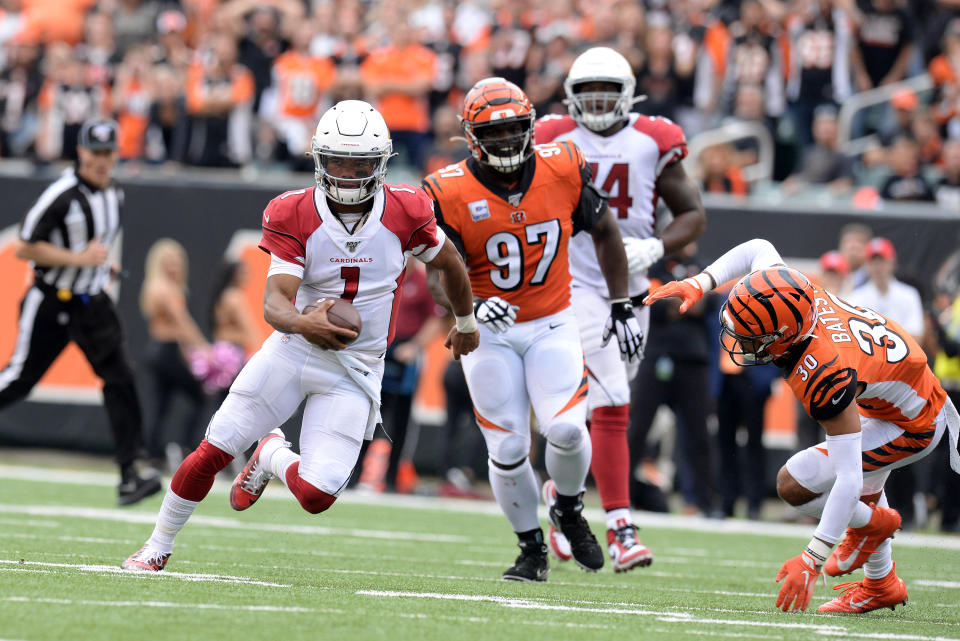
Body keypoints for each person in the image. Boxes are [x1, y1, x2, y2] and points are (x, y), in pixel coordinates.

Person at [122, 100, 479, 572]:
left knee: (315, 496)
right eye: (338, 161)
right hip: (294, 351)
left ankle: (270, 454)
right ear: (318, 159)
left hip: (357, 367)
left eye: (361, 164)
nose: (349, 174)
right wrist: (302, 322)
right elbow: (274, 302)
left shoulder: (407, 208)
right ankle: (156, 545)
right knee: (212, 450)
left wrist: (466, 318)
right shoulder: (293, 211)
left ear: (381, 165)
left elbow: (449, 261)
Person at [645, 238, 959, 614]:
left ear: (782, 336)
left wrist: (813, 556)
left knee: (795, 484)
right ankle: (882, 583)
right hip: (889, 394)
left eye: (752, 338)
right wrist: (702, 281)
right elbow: (757, 248)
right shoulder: (791, 290)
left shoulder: (824, 371)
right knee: (866, 495)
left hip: (913, 422)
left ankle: (873, 529)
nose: (742, 343)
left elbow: (848, 480)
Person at [422, 77, 643, 582]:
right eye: (491, 132)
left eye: (514, 129)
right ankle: (530, 549)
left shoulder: (563, 166)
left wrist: (621, 304)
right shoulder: (448, 189)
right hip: (487, 334)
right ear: (470, 135)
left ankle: (568, 507)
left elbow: (607, 232)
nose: (504, 141)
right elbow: (439, 276)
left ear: (530, 126)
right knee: (506, 448)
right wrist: (471, 309)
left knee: (566, 429)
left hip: (551, 321)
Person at [533, 47, 706, 572]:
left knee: (582, 413)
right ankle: (621, 528)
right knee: (613, 402)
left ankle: (561, 500)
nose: (599, 101)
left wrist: (657, 248)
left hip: (633, 284)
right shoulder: (550, 134)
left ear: (628, 93)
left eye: (608, 90)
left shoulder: (654, 138)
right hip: (575, 282)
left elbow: (692, 214)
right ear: (571, 97)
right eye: (588, 92)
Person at [4, 118, 160, 506]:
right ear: (81, 151)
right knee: (20, 378)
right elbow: (24, 247)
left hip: (92, 302)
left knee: (121, 380)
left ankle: (129, 475)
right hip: (51, 300)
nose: (102, 161)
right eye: (96, 152)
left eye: (108, 153)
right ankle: (129, 473)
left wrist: (97, 267)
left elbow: (98, 245)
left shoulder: (115, 193)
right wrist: (77, 258)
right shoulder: (62, 194)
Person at [139, 238, 209, 472]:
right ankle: (185, 448)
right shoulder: (163, 288)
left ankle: (155, 456)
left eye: (178, 261)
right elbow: (182, 323)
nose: (175, 266)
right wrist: (204, 350)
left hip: (163, 351)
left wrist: (188, 350)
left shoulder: (163, 287)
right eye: (169, 262)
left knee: (161, 405)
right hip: (165, 352)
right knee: (198, 397)